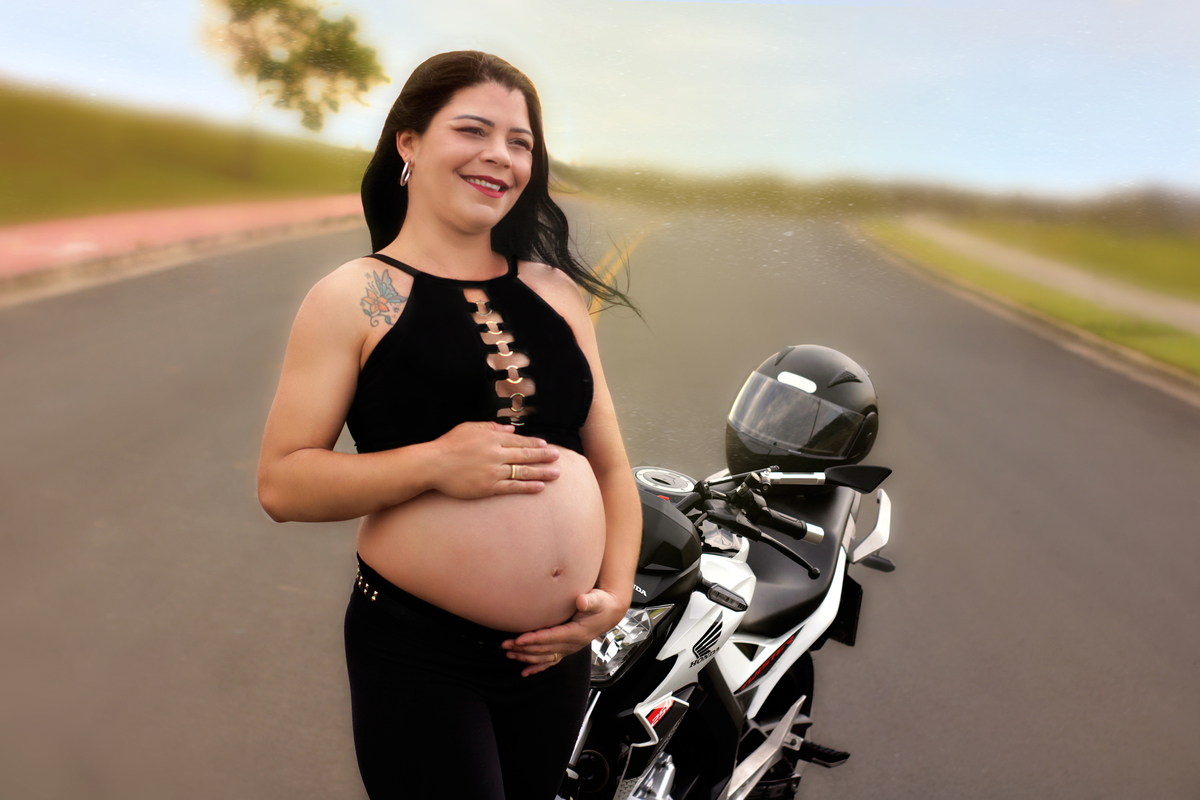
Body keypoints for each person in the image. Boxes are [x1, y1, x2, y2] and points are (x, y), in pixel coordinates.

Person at [256, 51, 641, 800]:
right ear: (410, 143)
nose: (500, 156)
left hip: (552, 660)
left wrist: (614, 595)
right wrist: (433, 463)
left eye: (520, 141)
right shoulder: (358, 296)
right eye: (473, 130)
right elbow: (283, 481)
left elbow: (611, 467)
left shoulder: (556, 292)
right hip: (420, 657)